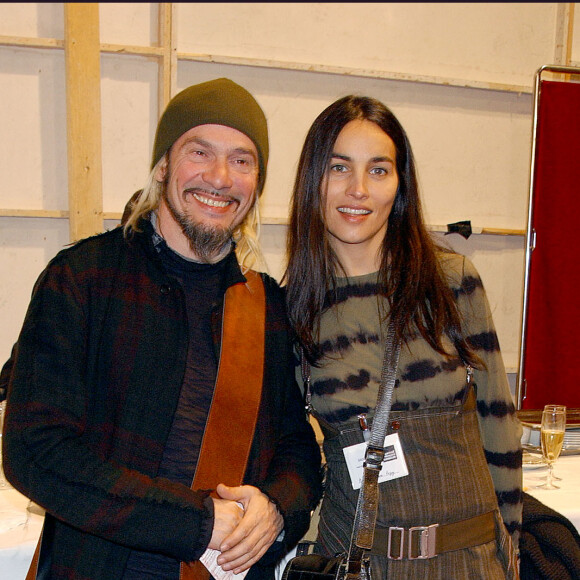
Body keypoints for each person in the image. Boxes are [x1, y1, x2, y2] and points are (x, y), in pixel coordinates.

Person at [2, 77, 322, 580]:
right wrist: (196, 522)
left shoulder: (266, 306)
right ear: (162, 165)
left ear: (256, 183)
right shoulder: (83, 280)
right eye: (200, 152)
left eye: (242, 160)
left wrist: (278, 506)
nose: (220, 177)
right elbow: (34, 450)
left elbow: (295, 442)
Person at [283, 95, 523, 578]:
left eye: (378, 170)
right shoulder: (292, 308)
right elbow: (293, 455)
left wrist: (511, 548)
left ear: (400, 184)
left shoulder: (451, 282)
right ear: (314, 180)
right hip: (355, 565)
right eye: (338, 167)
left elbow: (499, 427)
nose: (358, 190)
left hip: (466, 562)